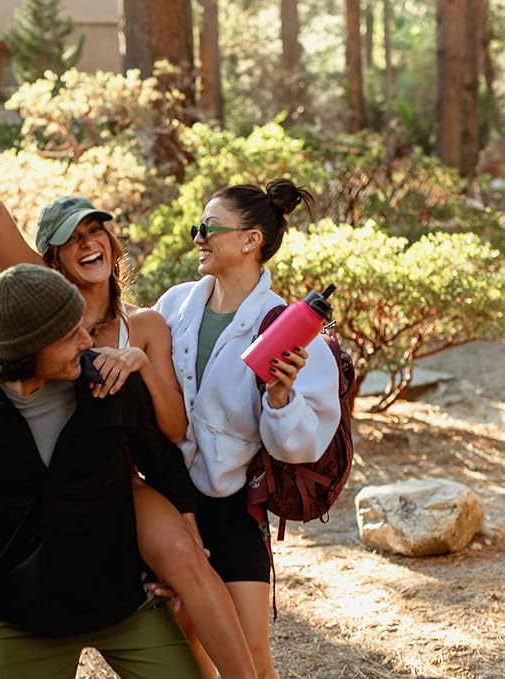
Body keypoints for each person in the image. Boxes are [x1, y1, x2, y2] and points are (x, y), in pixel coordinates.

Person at [0, 54, 256, 679]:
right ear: (50, 261)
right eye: (72, 237)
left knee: (185, 565)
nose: (89, 241)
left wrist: (136, 361)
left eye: (98, 230)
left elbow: (170, 438)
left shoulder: (145, 326)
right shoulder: (35, 298)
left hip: (119, 478)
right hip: (26, 485)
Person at [0, 262, 203, 678]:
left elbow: (162, 460)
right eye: (71, 335)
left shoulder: (107, 381)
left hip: (126, 602)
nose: (89, 340)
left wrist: (187, 529)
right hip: (26, 617)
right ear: (30, 348)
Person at [154, 178, 342, 679]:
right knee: (182, 639)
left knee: (249, 655)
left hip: (235, 506)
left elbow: (301, 447)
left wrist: (280, 398)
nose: (198, 238)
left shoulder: (286, 325)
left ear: (250, 240)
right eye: (198, 228)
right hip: (171, 500)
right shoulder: (173, 306)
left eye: (209, 228)